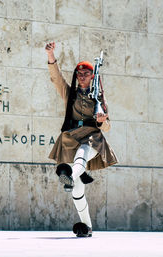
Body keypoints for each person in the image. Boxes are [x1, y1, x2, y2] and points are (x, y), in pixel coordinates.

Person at [45, 42, 118, 237]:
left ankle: (69, 173)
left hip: (93, 139)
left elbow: (108, 126)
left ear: (92, 76)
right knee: (77, 191)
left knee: (83, 153)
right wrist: (51, 55)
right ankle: (86, 227)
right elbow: (56, 79)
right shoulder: (71, 95)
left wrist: (102, 121)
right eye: (79, 74)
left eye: (86, 74)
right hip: (72, 139)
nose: (82, 76)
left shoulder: (98, 99)